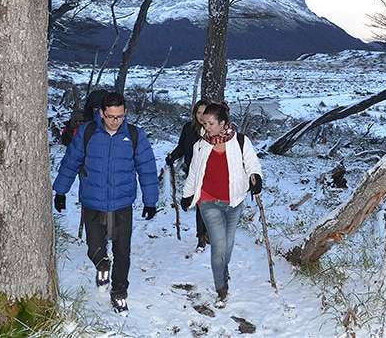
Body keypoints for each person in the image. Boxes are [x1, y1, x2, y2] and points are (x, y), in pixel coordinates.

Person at [53, 92, 159, 313]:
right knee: (94, 247)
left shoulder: (134, 135)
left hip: (122, 203)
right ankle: (101, 265)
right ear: (101, 113)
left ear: (125, 113)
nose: (115, 121)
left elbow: (147, 169)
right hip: (92, 201)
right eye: (110, 116)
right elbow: (71, 161)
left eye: (120, 116)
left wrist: (150, 201)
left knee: (122, 251)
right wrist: (61, 191)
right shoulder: (87, 132)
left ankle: (119, 291)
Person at [180, 102, 263, 308]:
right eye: (204, 122)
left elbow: (252, 163)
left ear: (223, 123)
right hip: (208, 202)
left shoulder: (241, 141)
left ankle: (223, 269)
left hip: (234, 202)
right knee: (218, 246)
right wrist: (187, 195)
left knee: (228, 245)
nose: (206, 126)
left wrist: (255, 177)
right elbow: (194, 173)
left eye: (210, 123)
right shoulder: (200, 145)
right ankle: (221, 287)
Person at [166, 98, 210, 250]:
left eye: (205, 113)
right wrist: (172, 156)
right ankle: (201, 236)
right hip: (194, 173)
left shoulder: (214, 129)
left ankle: (208, 233)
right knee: (201, 204)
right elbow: (182, 147)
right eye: (198, 112)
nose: (201, 116)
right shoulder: (188, 128)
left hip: (212, 173)